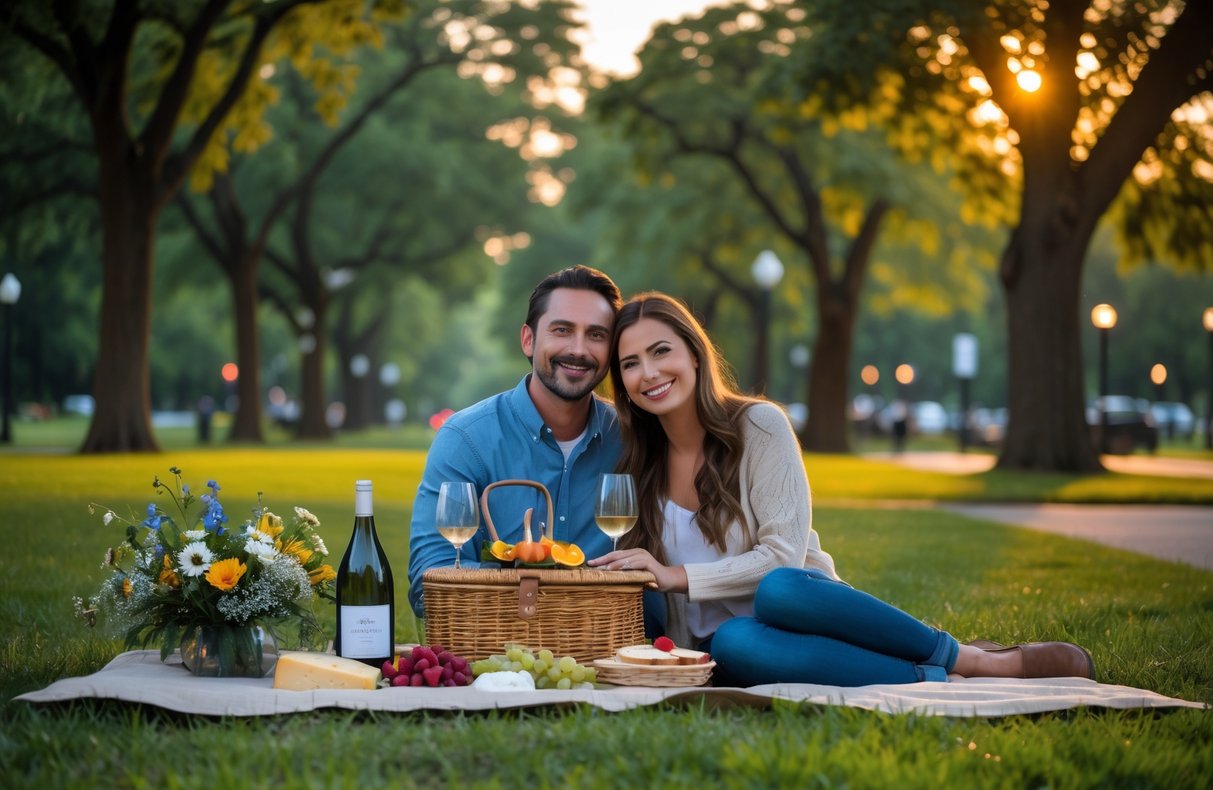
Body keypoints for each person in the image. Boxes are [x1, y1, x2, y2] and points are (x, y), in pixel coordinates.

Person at [590, 292, 1094, 687]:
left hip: (804, 610)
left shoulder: (759, 426)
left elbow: (784, 557)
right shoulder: (638, 465)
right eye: (630, 363)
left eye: (661, 351)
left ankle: (974, 660)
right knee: (735, 641)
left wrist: (676, 575)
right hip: (730, 648)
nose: (648, 372)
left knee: (779, 587)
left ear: (695, 355)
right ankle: (939, 678)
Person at [407, 265, 624, 616]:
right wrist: (532, 581)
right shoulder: (465, 439)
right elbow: (428, 584)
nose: (579, 349)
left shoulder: (633, 440)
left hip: (606, 649)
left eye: (596, 335)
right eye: (562, 330)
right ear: (528, 339)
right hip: (495, 657)